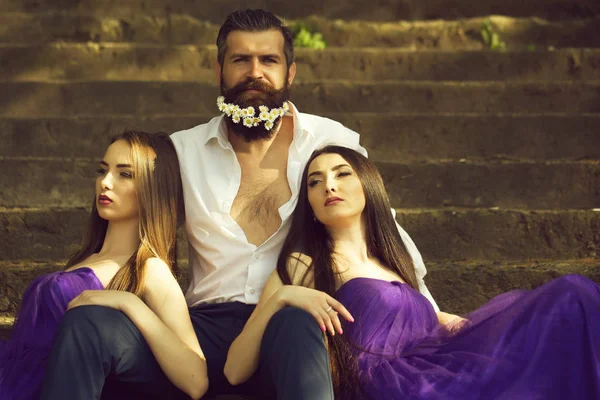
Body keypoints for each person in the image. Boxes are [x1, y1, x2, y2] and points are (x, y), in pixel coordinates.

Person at [39, 9, 437, 399]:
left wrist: (429, 313)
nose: (255, 72)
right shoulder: (182, 149)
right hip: (199, 330)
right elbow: (135, 218)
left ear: (290, 72)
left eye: (269, 60)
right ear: (219, 71)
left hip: (287, 326)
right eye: (240, 60)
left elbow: (381, 227)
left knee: (299, 322)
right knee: (90, 321)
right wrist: (92, 281)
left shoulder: (332, 140)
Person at [226, 144, 600, 399]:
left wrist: (475, 327)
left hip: (436, 365)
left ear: (368, 186)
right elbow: (235, 370)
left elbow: (439, 323)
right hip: (394, 386)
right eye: (315, 181)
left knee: (573, 296)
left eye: (343, 174)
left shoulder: (395, 263)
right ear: (308, 203)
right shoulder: (306, 262)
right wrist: (283, 297)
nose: (330, 186)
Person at [0, 131, 208, 400]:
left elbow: (196, 379)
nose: (105, 182)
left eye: (125, 174)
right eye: (102, 170)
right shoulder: (82, 259)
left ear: (153, 189)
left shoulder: (150, 269)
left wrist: (128, 303)